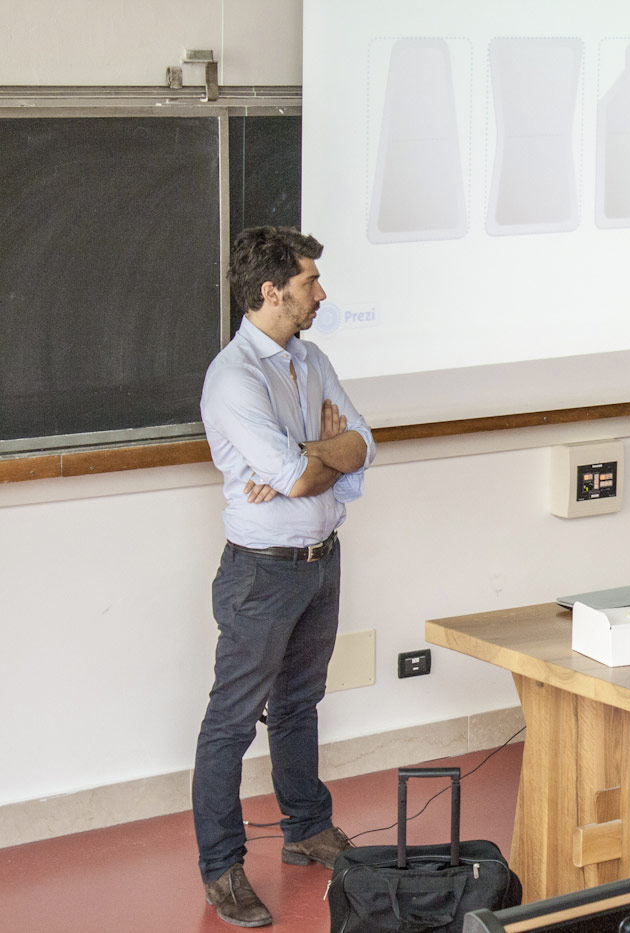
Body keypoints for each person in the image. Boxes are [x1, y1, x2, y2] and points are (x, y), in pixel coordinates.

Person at [193, 226, 375, 927]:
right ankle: (222, 869)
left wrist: (306, 452)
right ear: (272, 292)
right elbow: (301, 477)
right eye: (309, 282)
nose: (321, 293)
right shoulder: (234, 378)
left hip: (321, 559)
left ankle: (307, 829)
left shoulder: (311, 357)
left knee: (300, 703)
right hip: (261, 575)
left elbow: (363, 445)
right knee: (231, 721)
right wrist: (318, 454)